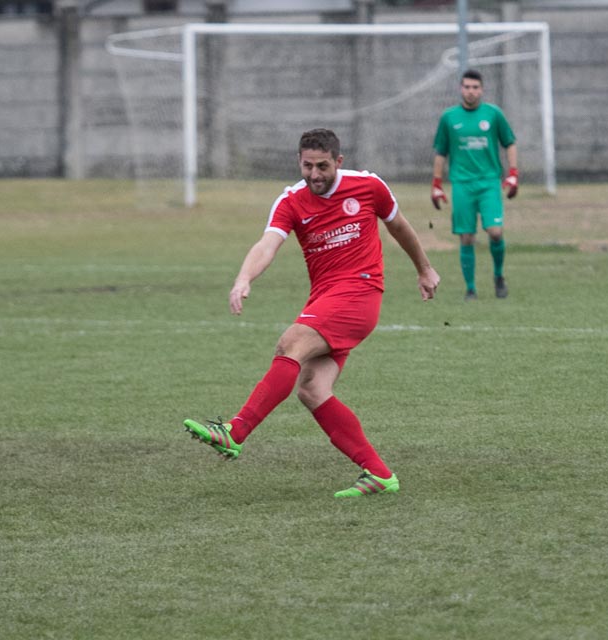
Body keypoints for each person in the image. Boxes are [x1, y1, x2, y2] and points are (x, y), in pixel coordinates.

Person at [184, 128, 440, 498]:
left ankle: (235, 432)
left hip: (360, 293)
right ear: (298, 161)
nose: (315, 175)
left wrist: (424, 269)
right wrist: (244, 278)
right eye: (308, 166)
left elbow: (399, 226)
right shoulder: (291, 200)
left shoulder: (368, 186)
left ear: (338, 161)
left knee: (291, 343)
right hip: (324, 298)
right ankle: (379, 474)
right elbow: (267, 244)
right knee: (312, 388)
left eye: (323, 166)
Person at [431, 69, 518, 300]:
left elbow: (509, 142)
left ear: (482, 90)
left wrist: (513, 173)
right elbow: (440, 152)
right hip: (462, 184)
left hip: (489, 182)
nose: (471, 91)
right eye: (467, 87)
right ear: (461, 89)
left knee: (495, 232)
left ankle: (498, 276)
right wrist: (436, 184)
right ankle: (470, 289)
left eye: (475, 87)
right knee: (467, 237)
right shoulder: (449, 118)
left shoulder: (493, 114)